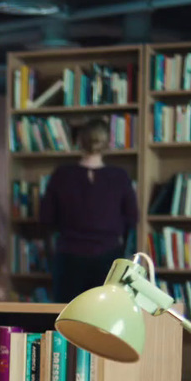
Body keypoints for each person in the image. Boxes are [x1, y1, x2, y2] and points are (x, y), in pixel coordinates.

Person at [38, 118, 138, 303]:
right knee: (103, 318)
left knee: (67, 317)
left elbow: (45, 219)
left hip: (69, 260)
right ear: (107, 142)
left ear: (80, 141)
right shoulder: (119, 177)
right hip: (108, 259)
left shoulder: (62, 175)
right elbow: (132, 219)